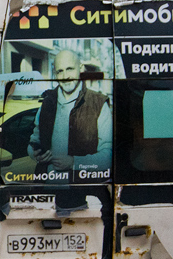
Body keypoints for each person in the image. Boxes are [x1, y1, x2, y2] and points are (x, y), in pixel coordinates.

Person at [27, 48, 111, 179]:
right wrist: (36, 154)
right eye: (60, 71)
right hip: (46, 189)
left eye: (70, 69)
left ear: (81, 68)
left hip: (82, 193)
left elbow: (109, 156)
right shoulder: (47, 103)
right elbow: (33, 142)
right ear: (55, 74)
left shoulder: (99, 104)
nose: (65, 76)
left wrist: (74, 163)